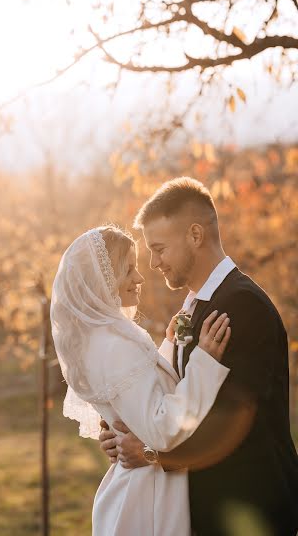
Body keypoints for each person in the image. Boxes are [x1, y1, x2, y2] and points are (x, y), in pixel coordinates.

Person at [99, 177, 298, 536]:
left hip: (249, 506)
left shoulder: (240, 305)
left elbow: (231, 422)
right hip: (211, 505)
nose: (154, 262)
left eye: (159, 249)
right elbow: (175, 397)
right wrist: (121, 428)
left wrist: (149, 454)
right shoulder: (198, 305)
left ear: (195, 235)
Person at [51, 223, 232, 536]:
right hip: (146, 497)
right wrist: (205, 360)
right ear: (103, 281)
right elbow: (162, 429)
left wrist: (171, 342)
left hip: (141, 485)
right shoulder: (113, 344)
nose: (139, 277)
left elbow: (140, 392)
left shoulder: (104, 337)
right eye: (128, 270)